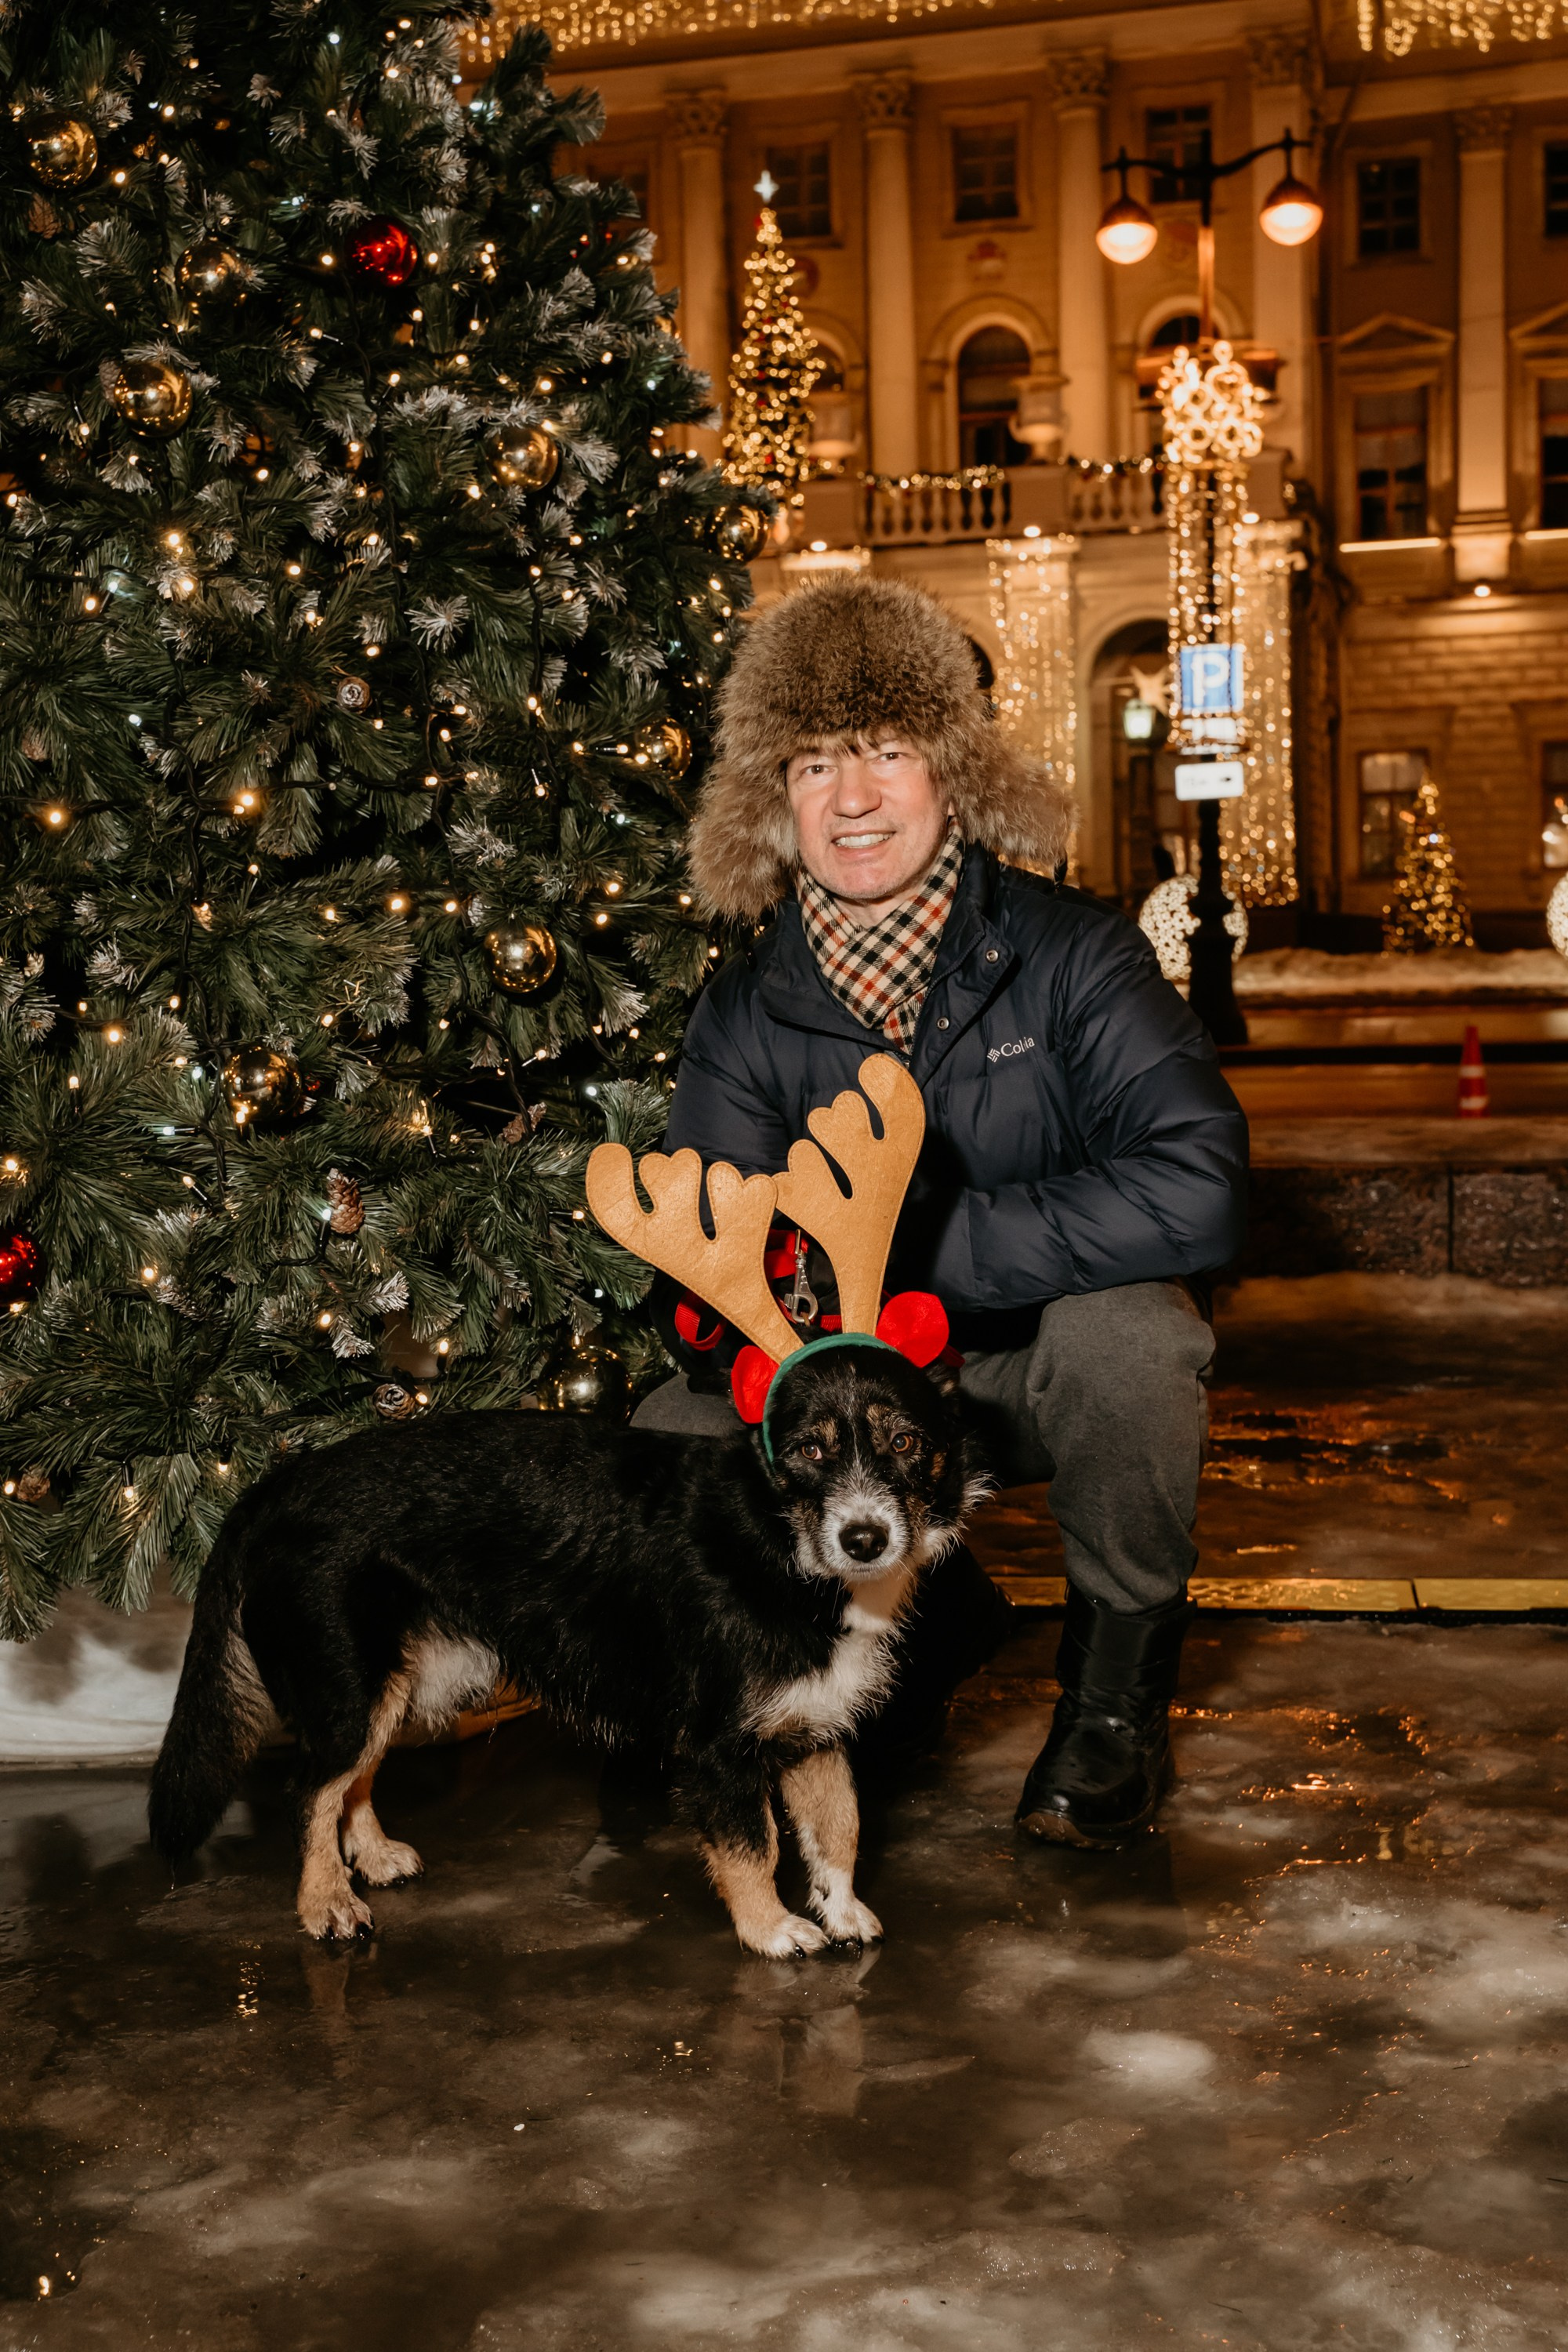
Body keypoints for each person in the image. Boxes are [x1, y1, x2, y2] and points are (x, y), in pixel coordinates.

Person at [633, 575, 1248, 1846]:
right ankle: (797, 1691)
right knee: (670, 1423)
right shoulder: (746, 1007)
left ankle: (1114, 1710)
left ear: (951, 773)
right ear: (773, 800)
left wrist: (928, 1256)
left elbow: (1201, 1184)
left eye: (885, 754)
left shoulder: (1074, 954)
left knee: (1134, 1339)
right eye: (812, 765)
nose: (850, 800)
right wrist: (737, 1321)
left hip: (1020, 1372)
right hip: (838, 1399)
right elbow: (711, 1255)